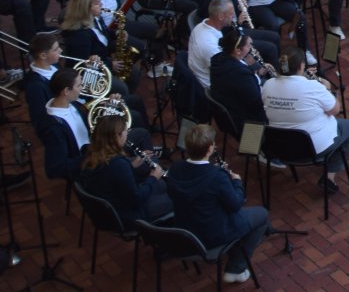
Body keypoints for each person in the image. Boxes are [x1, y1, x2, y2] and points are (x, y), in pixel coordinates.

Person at [165, 122, 269, 284]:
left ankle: (235, 248)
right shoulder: (217, 176)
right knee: (262, 214)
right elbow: (235, 204)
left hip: (186, 232)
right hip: (212, 234)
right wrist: (236, 182)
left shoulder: (175, 169)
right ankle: (236, 267)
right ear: (209, 149)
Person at [262, 46, 349, 187]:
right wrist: (327, 89)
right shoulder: (313, 87)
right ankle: (329, 177)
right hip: (312, 149)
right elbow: (335, 110)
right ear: (301, 66)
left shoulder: (268, 84)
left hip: (280, 148)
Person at [78, 112, 171, 224]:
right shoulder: (118, 164)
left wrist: (131, 166)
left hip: (108, 208)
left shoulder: (91, 154)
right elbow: (136, 199)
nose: (127, 134)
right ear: (117, 136)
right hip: (128, 214)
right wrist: (153, 177)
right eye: (126, 131)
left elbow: (111, 177)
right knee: (178, 197)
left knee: (162, 185)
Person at [208, 26, 269, 130]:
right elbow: (257, 103)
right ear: (237, 50)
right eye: (249, 45)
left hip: (230, 114)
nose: (251, 49)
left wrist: (253, 70)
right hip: (247, 125)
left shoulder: (218, 60)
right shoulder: (242, 74)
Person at [188, 0, 235, 90]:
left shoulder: (202, 25)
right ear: (221, 17)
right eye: (231, 14)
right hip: (214, 85)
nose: (233, 16)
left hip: (214, 72)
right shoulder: (209, 46)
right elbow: (227, 73)